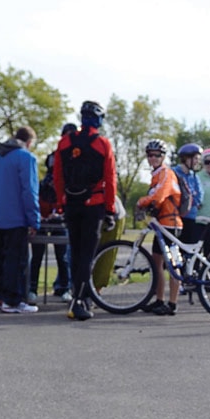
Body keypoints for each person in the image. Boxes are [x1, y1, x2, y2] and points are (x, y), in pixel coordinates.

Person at [53, 100, 117, 321]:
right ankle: (79, 300)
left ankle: (79, 294)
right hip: (94, 204)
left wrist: (61, 202)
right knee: (86, 255)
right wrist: (110, 209)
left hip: (72, 203)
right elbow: (110, 179)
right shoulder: (102, 144)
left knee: (76, 252)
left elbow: (57, 177)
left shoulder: (64, 142)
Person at [0, 125, 40, 314]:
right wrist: (34, 219)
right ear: (29, 142)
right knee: (16, 260)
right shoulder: (26, 158)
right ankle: (12, 300)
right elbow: (29, 191)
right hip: (15, 217)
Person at [28, 123, 75, 304]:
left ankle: (65, 287)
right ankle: (32, 288)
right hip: (44, 214)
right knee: (37, 255)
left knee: (63, 256)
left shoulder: (77, 158)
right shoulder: (54, 157)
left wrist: (60, 211)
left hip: (61, 216)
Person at [135, 139, 183, 315]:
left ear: (163, 157)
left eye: (156, 155)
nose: (153, 158)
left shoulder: (166, 173)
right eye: (149, 155)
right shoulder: (156, 174)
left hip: (171, 225)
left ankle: (172, 303)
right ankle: (159, 300)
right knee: (157, 264)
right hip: (161, 225)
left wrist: (142, 202)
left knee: (172, 264)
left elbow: (159, 195)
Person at [172, 143, 204, 246]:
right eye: (195, 158)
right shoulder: (173, 173)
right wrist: (189, 198)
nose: (197, 162)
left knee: (188, 250)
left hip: (191, 218)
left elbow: (199, 197)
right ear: (186, 158)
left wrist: (188, 200)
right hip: (175, 218)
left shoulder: (194, 176)